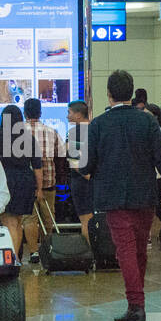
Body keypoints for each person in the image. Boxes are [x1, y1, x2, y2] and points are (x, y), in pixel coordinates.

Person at [82, 70, 161, 321]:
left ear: (108, 93)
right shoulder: (147, 121)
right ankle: (137, 300)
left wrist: (84, 171)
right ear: (132, 91)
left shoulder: (98, 124)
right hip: (145, 195)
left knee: (125, 250)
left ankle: (136, 304)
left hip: (113, 197)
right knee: (139, 250)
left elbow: (88, 164)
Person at [0, 104, 41, 260]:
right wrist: (40, 189)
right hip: (25, 181)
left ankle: (11, 260)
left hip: (4, 180)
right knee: (17, 222)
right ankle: (15, 258)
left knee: (8, 222)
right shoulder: (29, 139)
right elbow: (37, 167)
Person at [22, 98, 63, 264]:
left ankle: (33, 252)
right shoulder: (51, 131)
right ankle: (48, 250)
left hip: (25, 182)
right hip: (48, 180)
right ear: (40, 112)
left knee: (29, 218)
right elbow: (61, 155)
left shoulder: (19, 133)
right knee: (48, 217)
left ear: (24, 113)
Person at [66, 100, 93, 239]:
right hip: (99, 182)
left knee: (86, 221)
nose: (67, 116)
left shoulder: (74, 133)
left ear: (78, 114)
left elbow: (75, 162)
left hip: (81, 184)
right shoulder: (97, 128)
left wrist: (88, 176)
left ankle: (91, 255)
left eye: (69, 112)